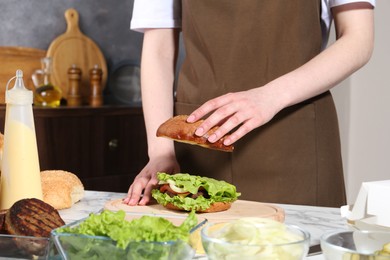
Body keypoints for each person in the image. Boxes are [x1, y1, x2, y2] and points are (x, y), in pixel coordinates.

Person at [124, 0, 375, 208]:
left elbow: (358, 38)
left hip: (294, 143)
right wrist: (160, 152)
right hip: (198, 142)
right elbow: (158, 48)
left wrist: (271, 96)